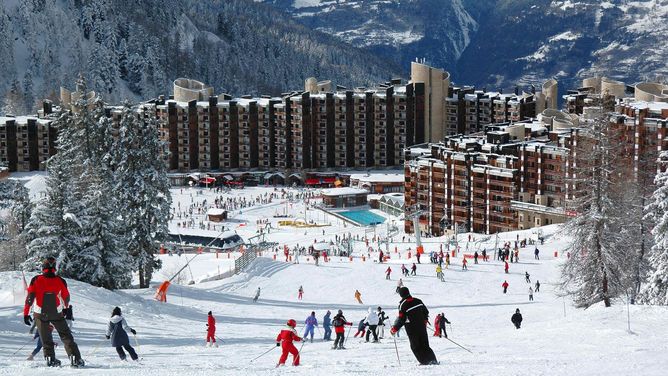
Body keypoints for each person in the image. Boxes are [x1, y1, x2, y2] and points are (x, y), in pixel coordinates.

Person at [23, 257, 84, 367]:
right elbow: (66, 296)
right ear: (54, 267)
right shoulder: (60, 280)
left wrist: (26, 314)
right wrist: (65, 308)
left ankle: (50, 360)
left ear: (43, 267)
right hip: (56, 312)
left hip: (40, 313)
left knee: (46, 339)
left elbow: (30, 298)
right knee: (66, 336)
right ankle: (75, 359)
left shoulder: (36, 279)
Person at [390, 287, 438, 365]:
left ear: (401, 295)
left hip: (412, 329)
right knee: (425, 345)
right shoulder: (418, 301)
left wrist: (395, 328)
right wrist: (425, 320)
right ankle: (433, 360)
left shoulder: (403, 305)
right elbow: (426, 311)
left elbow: (402, 319)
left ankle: (425, 362)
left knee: (416, 347)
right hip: (422, 327)